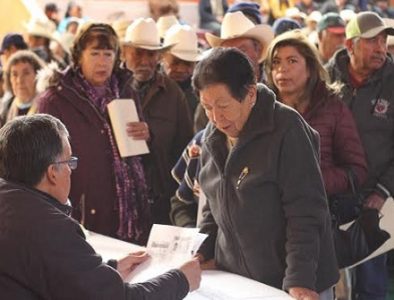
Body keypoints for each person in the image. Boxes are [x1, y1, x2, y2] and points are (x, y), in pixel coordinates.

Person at [0, 113, 201, 299]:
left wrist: (108, 271)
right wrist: (181, 280)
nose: (71, 171)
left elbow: (52, 272)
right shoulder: (47, 226)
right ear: (53, 173)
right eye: (70, 162)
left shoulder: (14, 205)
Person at [193, 47, 339, 300]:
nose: (216, 117)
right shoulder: (213, 136)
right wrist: (202, 252)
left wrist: (299, 280)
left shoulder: (287, 129)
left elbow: (305, 212)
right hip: (238, 281)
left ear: (250, 94)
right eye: (207, 107)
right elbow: (213, 204)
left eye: (223, 105)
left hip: (291, 281)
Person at [36, 22, 152, 245]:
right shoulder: (55, 100)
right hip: (83, 215)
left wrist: (146, 134)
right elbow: (42, 165)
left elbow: (139, 154)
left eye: (108, 54)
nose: (102, 61)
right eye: (95, 53)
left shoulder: (126, 90)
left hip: (130, 213)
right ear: (79, 57)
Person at [326, 11, 394, 300]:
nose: (381, 47)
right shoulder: (323, 77)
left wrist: (383, 191)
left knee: (371, 288)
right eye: (372, 41)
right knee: (326, 283)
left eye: (383, 40)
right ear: (351, 45)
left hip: (372, 203)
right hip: (326, 200)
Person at [264, 29, 367, 197]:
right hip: (271, 211)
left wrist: (315, 181)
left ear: (310, 68)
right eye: (276, 62)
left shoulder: (333, 109)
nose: (282, 69)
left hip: (320, 210)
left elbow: (357, 170)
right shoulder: (263, 110)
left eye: (292, 61)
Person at [123, 18, 194, 225]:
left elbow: (186, 148)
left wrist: (152, 134)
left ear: (159, 57)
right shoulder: (108, 90)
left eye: (151, 53)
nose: (144, 60)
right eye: (138, 52)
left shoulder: (173, 93)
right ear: (125, 52)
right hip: (118, 200)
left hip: (160, 201)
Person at [161, 24, 201, 119]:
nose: (181, 69)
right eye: (175, 62)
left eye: (188, 63)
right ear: (162, 57)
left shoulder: (202, 89)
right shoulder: (149, 87)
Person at [0, 50, 45, 126]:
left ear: (38, 75)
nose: (19, 80)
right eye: (14, 74)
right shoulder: (6, 108)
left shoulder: (47, 107)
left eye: (26, 73)